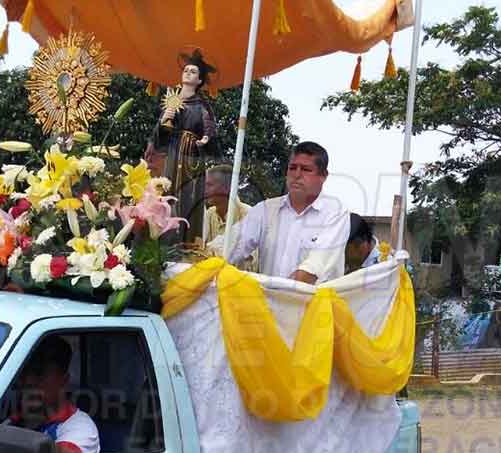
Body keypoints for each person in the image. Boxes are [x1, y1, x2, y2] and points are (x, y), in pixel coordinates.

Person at [210, 141, 350, 284]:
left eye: (306, 169)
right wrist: (198, 258)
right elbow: (229, 245)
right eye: (292, 168)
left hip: (314, 304)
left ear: (323, 176)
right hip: (268, 303)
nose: (297, 174)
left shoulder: (336, 213)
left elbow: (313, 269)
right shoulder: (265, 210)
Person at [146, 49, 218, 236]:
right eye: (186, 70)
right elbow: (157, 138)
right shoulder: (172, 100)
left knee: (188, 195)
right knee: (169, 190)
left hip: (191, 156)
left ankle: (186, 238)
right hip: (172, 153)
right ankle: (166, 235)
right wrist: (164, 122)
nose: (188, 73)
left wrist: (205, 138)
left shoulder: (202, 105)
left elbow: (209, 128)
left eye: (193, 71)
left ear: (200, 80)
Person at [11, 336, 100, 453]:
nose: (29, 381)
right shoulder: (17, 411)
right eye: (24, 373)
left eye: (39, 374)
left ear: (64, 380)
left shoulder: (81, 428)